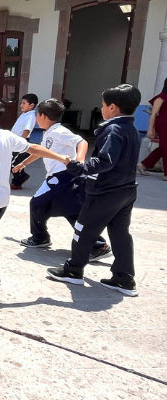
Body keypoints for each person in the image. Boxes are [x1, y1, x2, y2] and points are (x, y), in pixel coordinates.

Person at [48, 84, 142, 297]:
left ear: (112, 107)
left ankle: (73, 270)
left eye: (103, 105)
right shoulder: (132, 129)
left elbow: (105, 161)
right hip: (126, 191)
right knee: (120, 234)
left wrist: (80, 168)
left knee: (83, 229)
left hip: (105, 192)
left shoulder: (113, 129)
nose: (102, 108)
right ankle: (124, 278)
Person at [0, 99, 77, 287]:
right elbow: (36, 148)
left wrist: (70, 160)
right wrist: (58, 158)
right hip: (3, 199)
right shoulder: (8, 135)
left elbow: (79, 143)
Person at [13, 99, 111, 261]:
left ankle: (40, 238)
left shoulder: (59, 131)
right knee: (70, 210)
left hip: (63, 177)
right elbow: (41, 152)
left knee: (37, 204)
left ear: (43, 116)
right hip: (61, 178)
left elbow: (82, 142)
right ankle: (97, 245)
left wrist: (79, 160)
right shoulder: (49, 132)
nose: (36, 118)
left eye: (37, 115)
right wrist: (23, 163)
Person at [139, 78, 167, 180]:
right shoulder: (160, 97)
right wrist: (150, 129)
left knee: (163, 147)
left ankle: (143, 165)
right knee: (166, 147)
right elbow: (153, 114)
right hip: (163, 125)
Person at [10, 93, 39, 190]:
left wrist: (20, 143)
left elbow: (26, 131)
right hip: (15, 142)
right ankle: (21, 176)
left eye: (24, 103)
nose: (21, 105)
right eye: (21, 103)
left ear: (31, 105)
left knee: (13, 163)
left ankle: (18, 181)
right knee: (14, 162)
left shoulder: (30, 116)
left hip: (21, 142)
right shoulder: (25, 114)